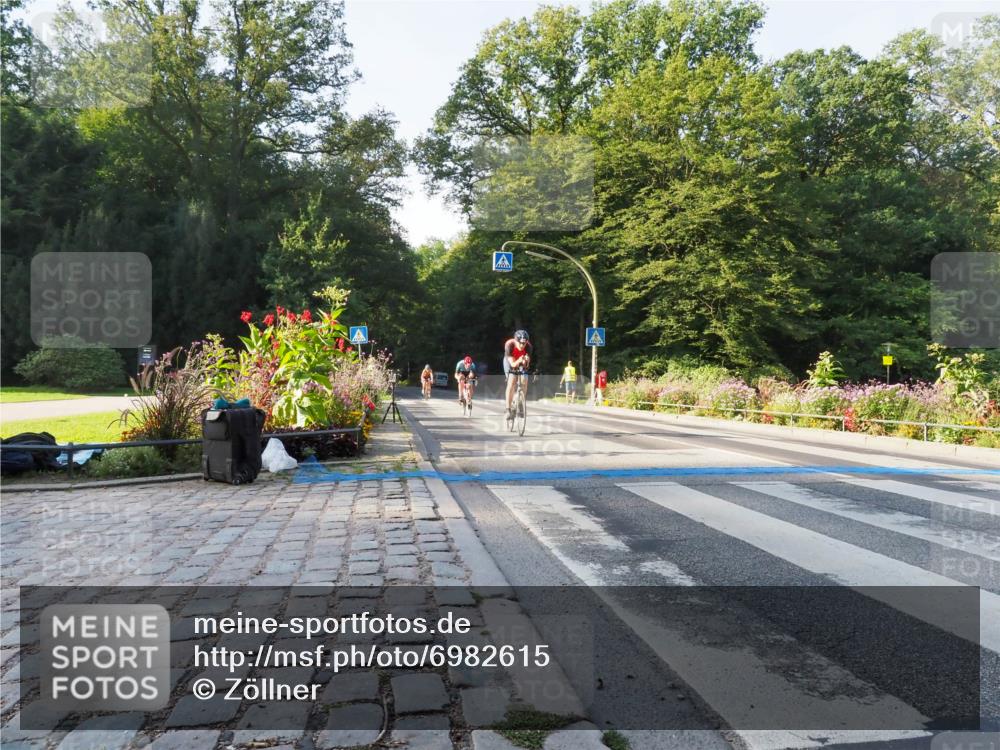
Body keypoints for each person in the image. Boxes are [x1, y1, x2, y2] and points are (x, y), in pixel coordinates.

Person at [503, 330, 532, 419]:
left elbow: (527, 365)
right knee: (511, 382)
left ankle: (520, 403)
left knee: (525, 379)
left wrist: (526, 361)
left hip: (520, 360)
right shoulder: (509, 345)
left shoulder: (529, 347)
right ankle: (508, 409)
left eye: (524, 343)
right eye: (520, 343)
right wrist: (519, 360)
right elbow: (512, 364)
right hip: (510, 361)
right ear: (516, 341)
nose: (522, 345)